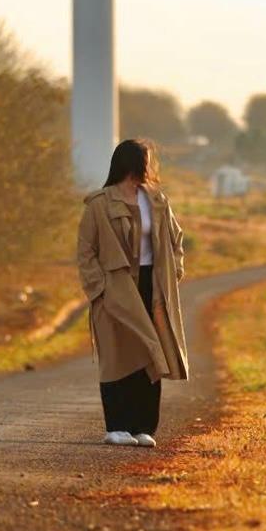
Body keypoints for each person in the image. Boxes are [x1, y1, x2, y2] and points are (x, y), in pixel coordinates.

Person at [76, 138, 189, 447]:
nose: (151, 166)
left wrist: (174, 272)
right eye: (147, 160)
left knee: (152, 355)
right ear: (133, 163)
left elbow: (176, 241)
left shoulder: (157, 201)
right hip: (115, 288)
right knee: (116, 357)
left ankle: (143, 428)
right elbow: (86, 250)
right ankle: (116, 427)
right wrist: (98, 289)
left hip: (152, 288)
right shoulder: (99, 204)